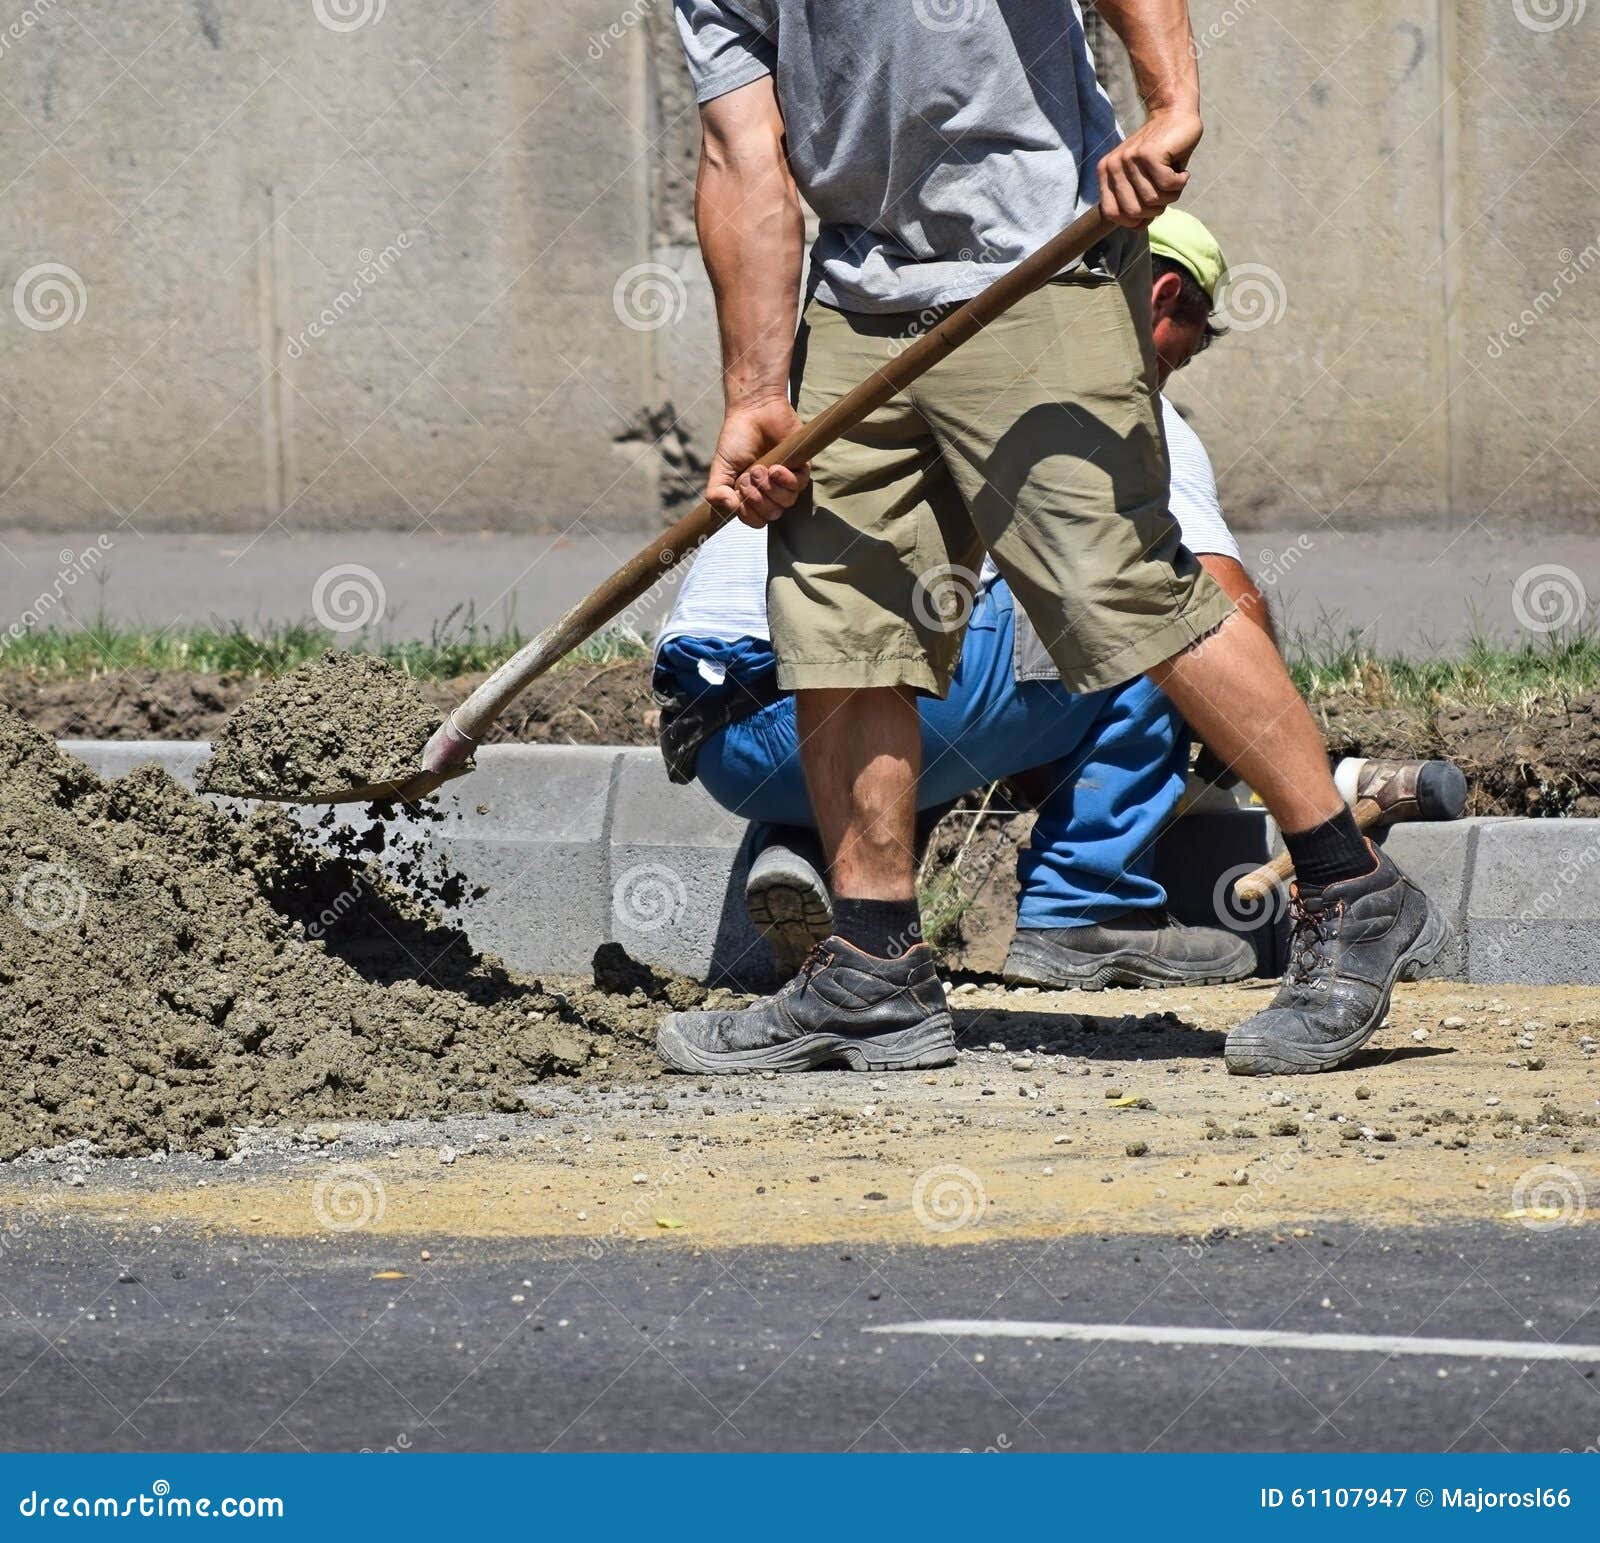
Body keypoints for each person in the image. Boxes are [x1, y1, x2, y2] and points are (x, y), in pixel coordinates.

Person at [657, 0, 1448, 1079]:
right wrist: (753, 387)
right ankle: (872, 967)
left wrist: (1171, 103)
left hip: (1037, 258)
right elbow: (740, 148)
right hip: (855, 296)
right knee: (844, 610)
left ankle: (1351, 890)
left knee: (1113, 584)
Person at [656, 210, 1261, 995]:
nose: (1186, 358)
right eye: (1198, 335)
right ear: (1162, 296)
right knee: (1147, 606)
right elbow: (1225, 605)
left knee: (906, 640)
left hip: (720, 742)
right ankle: (1088, 908)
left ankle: (800, 847)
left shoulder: (875, 352)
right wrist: (1288, 765)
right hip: (823, 698)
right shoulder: (1101, 391)